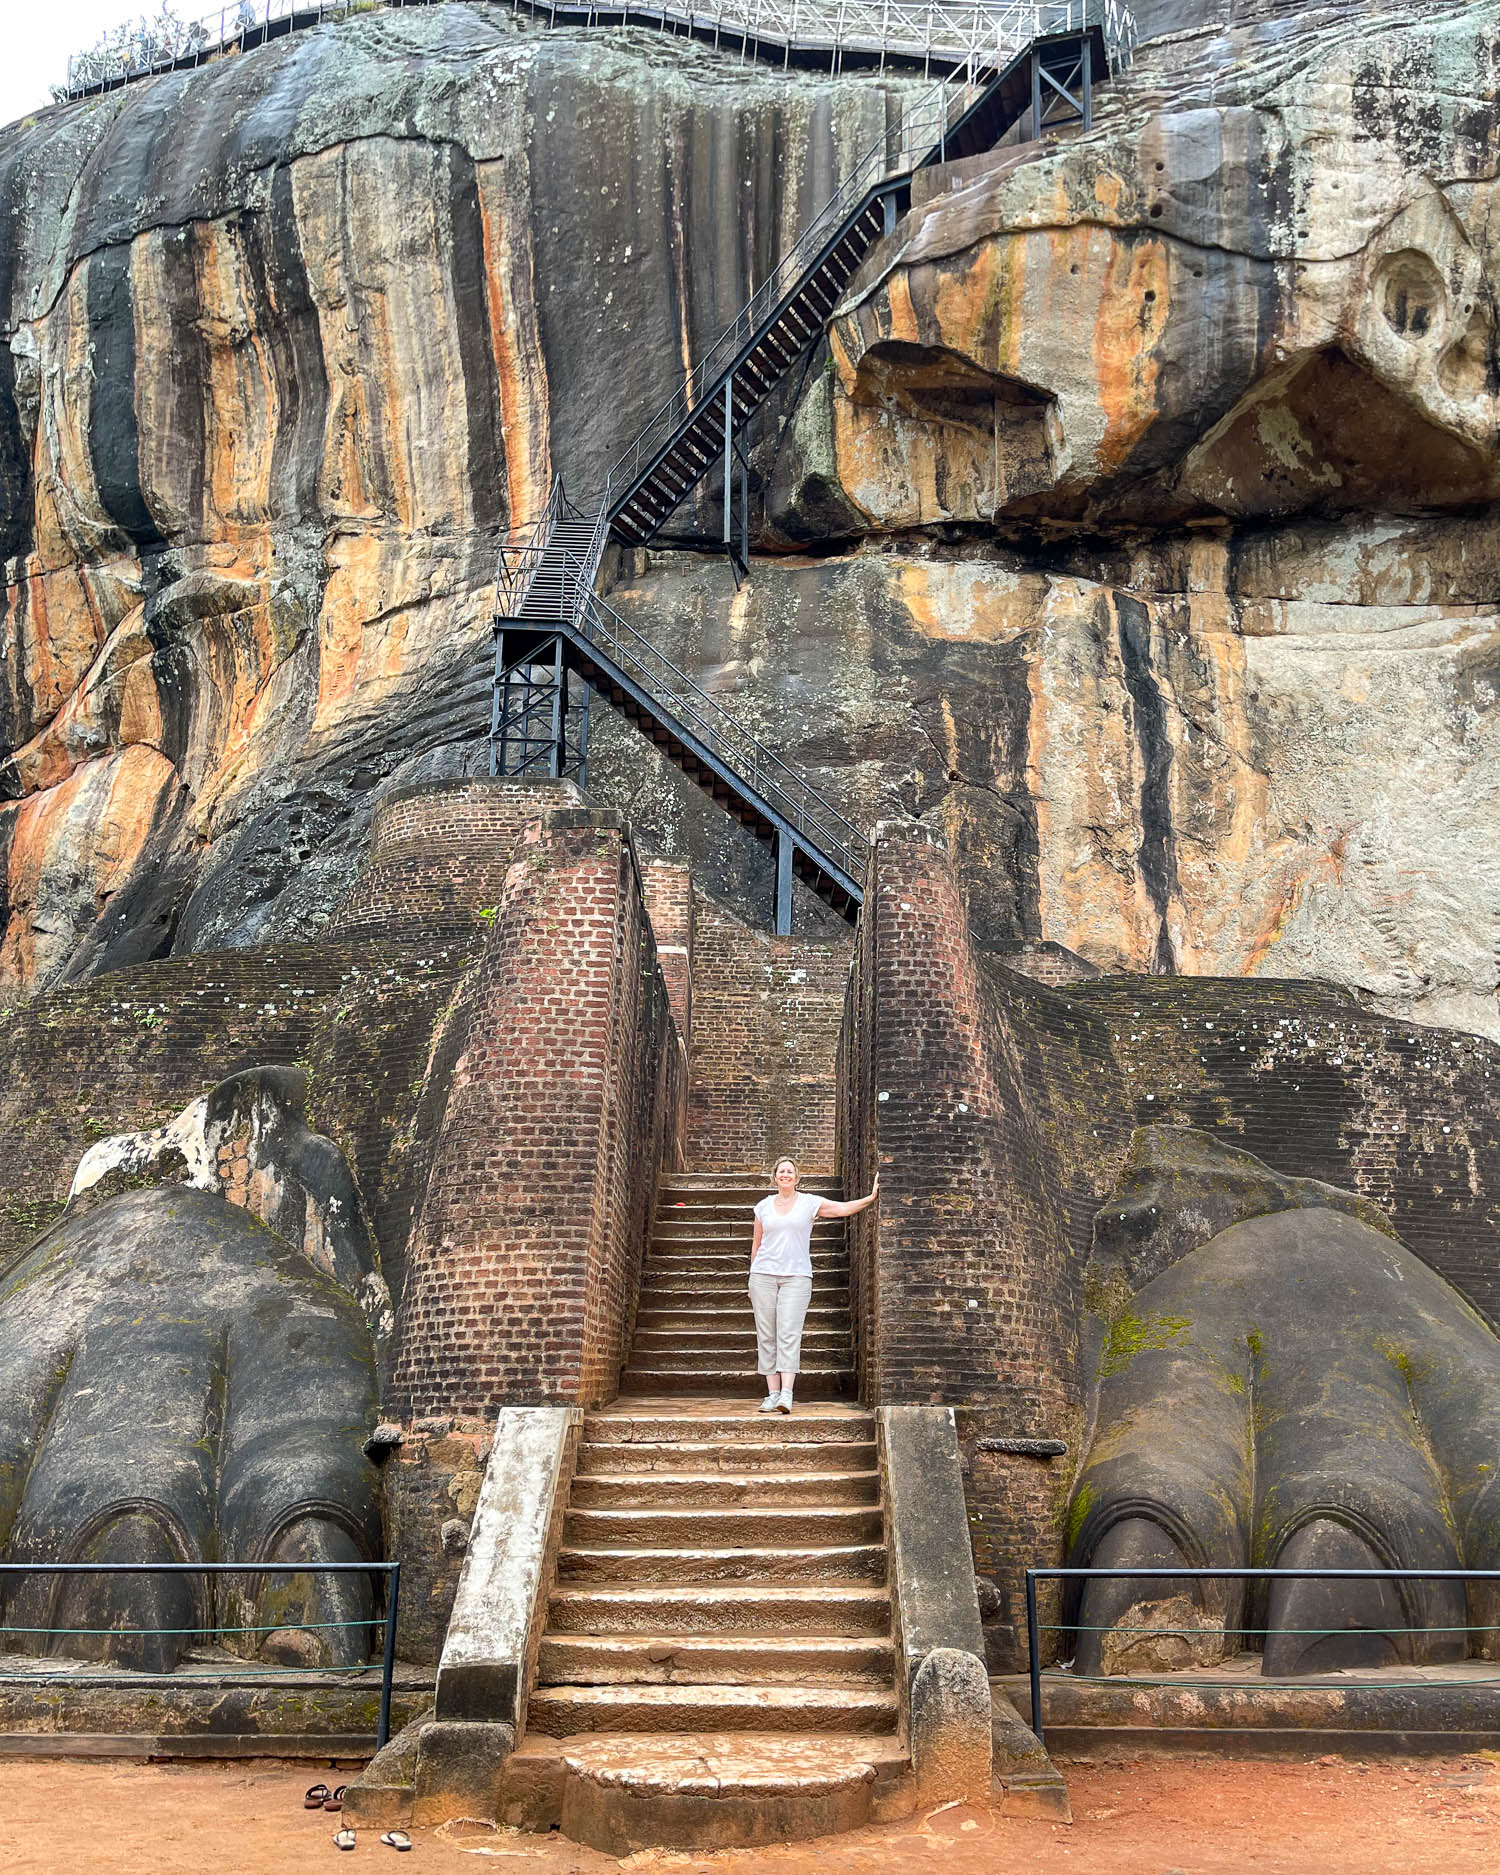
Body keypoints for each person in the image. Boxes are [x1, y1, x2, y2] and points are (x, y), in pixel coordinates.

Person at [749, 1157, 880, 1413]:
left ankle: (786, 1394)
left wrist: (870, 1198)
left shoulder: (809, 1203)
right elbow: (756, 1244)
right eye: (781, 1171)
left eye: (790, 1171)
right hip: (763, 1275)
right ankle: (771, 1393)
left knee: (788, 1334)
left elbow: (841, 1208)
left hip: (797, 1277)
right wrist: (751, 1278)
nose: (785, 1175)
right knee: (766, 1336)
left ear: (796, 1178)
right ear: (775, 1177)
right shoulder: (763, 1207)